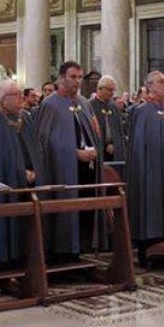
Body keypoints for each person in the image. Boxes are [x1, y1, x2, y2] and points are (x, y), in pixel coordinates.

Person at [34, 61, 102, 259]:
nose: (77, 81)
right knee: (66, 211)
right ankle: (61, 255)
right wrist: (74, 153)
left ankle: (80, 251)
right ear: (62, 78)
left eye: (80, 77)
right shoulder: (50, 104)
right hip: (61, 170)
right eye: (73, 77)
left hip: (87, 168)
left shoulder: (84, 103)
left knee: (85, 209)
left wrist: (93, 147)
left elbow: (91, 130)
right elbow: (45, 141)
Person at [0, 79, 39, 263]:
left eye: (21, 94)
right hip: (4, 181)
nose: (21, 99)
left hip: (29, 181)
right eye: (16, 95)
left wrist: (33, 168)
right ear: (3, 98)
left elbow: (34, 147)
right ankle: (3, 259)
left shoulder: (25, 117)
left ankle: (27, 256)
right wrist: (20, 172)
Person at [124, 71, 164, 261]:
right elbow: (141, 144)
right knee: (151, 205)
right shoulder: (143, 111)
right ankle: (148, 249)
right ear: (149, 86)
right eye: (161, 82)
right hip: (151, 167)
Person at [89, 75, 128, 169]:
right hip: (98, 152)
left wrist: (116, 145)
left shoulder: (114, 107)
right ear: (100, 89)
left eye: (113, 90)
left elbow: (120, 131)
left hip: (115, 153)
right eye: (109, 90)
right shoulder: (90, 106)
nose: (112, 93)